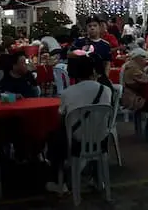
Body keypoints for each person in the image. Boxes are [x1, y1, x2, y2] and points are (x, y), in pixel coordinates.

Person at [45, 55, 112, 194]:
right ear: (92, 71)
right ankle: (97, 178)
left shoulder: (67, 93)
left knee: (54, 136)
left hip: (76, 141)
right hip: (101, 139)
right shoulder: (106, 90)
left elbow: (62, 119)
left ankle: (59, 181)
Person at [121, 48, 148, 112]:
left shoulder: (131, 65)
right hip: (134, 100)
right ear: (138, 58)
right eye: (144, 57)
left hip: (133, 96)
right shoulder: (132, 68)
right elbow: (145, 79)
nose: (145, 60)